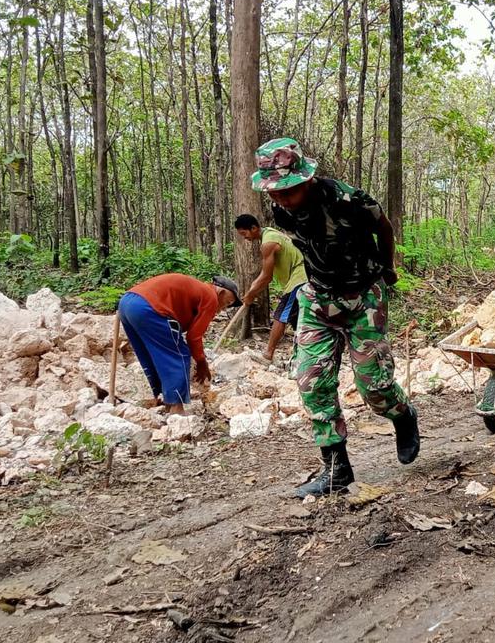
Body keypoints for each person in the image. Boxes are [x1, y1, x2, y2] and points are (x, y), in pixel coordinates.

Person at [252, 137, 420, 498]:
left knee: (373, 385)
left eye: (288, 190)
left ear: (307, 179)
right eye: (274, 192)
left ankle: (403, 415)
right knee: (312, 382)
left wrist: (387, 269)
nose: (280, 198)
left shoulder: (349, 200)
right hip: (317, 300)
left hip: (362, 298)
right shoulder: (281, 212)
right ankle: (336, 469)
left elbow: (385, 227)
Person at [117, 273, 241, 415]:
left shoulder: (199, 290)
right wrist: (201, 362)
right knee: (179, 354)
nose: (224, 309)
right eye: (227, 303)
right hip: (147, 307)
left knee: (152, 355)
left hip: (127, 303)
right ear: (221, 292)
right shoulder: (211, 297)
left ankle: (167, 401)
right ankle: (176, 408)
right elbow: (194, 337)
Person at [233, 213, 308, 361]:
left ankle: (268, 354)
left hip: (300, 277)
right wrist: (251, 291)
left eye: (244, 233)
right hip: (300, 277)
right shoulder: (270, 233)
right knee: (298, 320)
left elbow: (266, 277)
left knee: (281, 315)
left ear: (254, 228)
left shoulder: (268, 242)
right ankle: (303, 356)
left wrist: (251, 294)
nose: (245, 237)